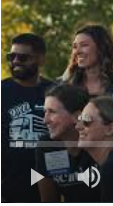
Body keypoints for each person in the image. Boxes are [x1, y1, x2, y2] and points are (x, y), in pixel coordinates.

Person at [1, 33, 54, 202]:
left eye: (22, 57)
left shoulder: (55, 92)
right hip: (7, 188)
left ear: (40, 60)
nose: (15, 61)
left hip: (49, 186)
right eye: (12, 56)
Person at [35, 84, 100, 202]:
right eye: (45, 112)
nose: (45, 120)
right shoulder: (48, 146)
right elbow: (49, 201)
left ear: (77, 117)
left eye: (52, 112)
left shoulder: (100, 143)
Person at [61, 24, 113, 110]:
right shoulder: (66, 83)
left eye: (84, 45)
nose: (77, 51)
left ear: (101, 48)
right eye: (75, 46)